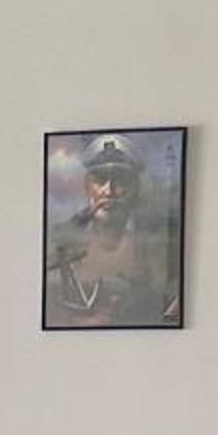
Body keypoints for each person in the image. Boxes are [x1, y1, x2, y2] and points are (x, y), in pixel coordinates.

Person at [46, 133, 181, 326]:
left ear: (135, 188)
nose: (108, 191)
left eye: (120, 181)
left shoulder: (162, 243)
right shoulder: (63, 241)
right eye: (100, 180)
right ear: (87, 187)